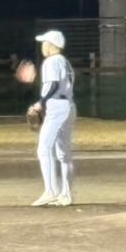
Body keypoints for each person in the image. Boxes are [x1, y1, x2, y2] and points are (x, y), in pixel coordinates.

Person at [28, 30, 76, 207]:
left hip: (57, 107)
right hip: (69, 105)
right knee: (63, 154)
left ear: (51, 45)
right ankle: (66, 195)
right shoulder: (64, 61)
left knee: (43, 149)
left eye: (44, 43)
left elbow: (53, 85)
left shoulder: (51, 61)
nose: (42, 46)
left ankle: (51, 191)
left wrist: (40, 103)